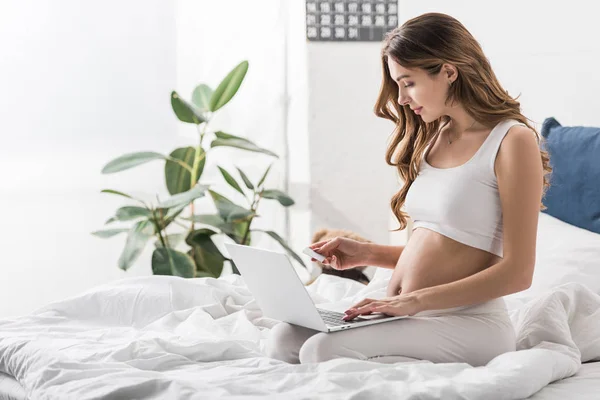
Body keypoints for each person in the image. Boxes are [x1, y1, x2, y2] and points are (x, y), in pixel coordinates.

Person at [265, 12, 551, 366]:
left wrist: (414, 300)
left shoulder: (511, 141)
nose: (400, 98)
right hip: (408, 314)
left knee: (320, 351)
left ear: (448, 71)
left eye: (408, 82)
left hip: (468, 323)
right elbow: (440, 253)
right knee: (284, 337)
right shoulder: (435, 136)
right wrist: (365, 253)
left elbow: (519, 272)